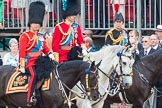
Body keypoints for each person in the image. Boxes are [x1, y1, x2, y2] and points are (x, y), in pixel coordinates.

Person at [18, 1, 55, 106]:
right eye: (35, 23)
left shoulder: (41, 36)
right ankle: (29, 97)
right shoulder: (25, 35)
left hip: (40, 60)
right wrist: (22, 65)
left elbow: (45, 48)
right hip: (29, 61)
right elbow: (22, 51)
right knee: (34, 75)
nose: (36, 25)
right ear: (30, 23)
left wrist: (50, 53)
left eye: (38, 24)